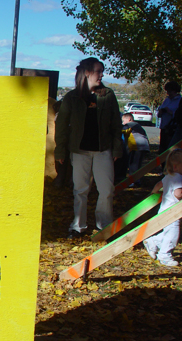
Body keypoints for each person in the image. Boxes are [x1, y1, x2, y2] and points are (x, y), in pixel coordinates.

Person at [55, 57, 122, 239]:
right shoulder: (72, 97)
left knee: (107, 190)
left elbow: (116, 123)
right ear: (86, 73)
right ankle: (78, 227)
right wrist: (60, 150)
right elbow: (61, 126)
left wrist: (117, 148)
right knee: (80, 190)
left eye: (102, 71)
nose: (101, 74)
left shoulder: (107, 95)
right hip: (79, 151)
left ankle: (105, 227)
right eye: (98, 70)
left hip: (104, 150)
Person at [142, 149, 182, 267]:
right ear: (176, 166)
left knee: (168, 233)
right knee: (173, 235)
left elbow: (158, 185)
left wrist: (153, 194)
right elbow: (178, 194)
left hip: (164, 210)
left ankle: (152, 242)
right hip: (172, 213)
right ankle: (164, 255)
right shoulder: (179, 178)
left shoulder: (169, 176)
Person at [122, 113, 150, 186]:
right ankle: (137, 180)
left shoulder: (130, 125)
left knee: (133, 164)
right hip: (144, 146)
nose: (123, 123)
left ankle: (132, 181)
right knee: (138, 164)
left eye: (123, 121)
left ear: (129, 119)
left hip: (136, 146)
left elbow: (122, 130)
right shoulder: (138, 126)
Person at [157, 81, 181, 154]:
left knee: (170, 149)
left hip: (173, 128)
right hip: (164, 127)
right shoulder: (167, 100)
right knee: (162, 149)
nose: (168, 93)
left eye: (170, 91)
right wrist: (161, 111)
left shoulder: (179, 100)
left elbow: (179, 114)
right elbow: (160, 112)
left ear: (175, 91)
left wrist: (170, 112)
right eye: (167, 91)